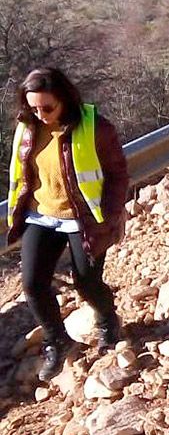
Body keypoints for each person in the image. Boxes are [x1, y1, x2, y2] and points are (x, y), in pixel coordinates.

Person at [6, 68, 129, 381]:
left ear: (65, 100)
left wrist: (112, 215)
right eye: (33, 108)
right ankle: (57, 340)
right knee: (33, 284)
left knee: (86, 282)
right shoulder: (28, 128)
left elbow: (117, 174)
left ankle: (106, 320)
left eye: (48, 108)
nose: (40, 114)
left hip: (83, 219)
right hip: (41, 215)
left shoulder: (95, 128)